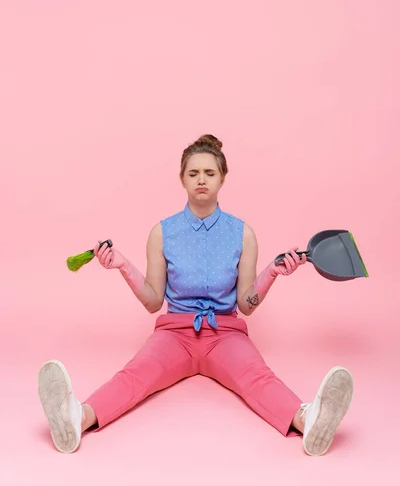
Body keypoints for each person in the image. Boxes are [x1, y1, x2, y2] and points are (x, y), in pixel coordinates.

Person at [38, 134, 354, 456]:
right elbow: (152, 302)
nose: (201, 180)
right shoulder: (162, 232)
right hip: (174, 334)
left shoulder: (242, 233)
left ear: (222, 178)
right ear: (182, 179)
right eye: (193, 173)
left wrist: (272, 272)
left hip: (225, 334)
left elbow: (246, 305)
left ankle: (310, 420)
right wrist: (122, 265)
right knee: (134, 376)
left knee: (257, 378)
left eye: (209, 173)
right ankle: (76, 418)